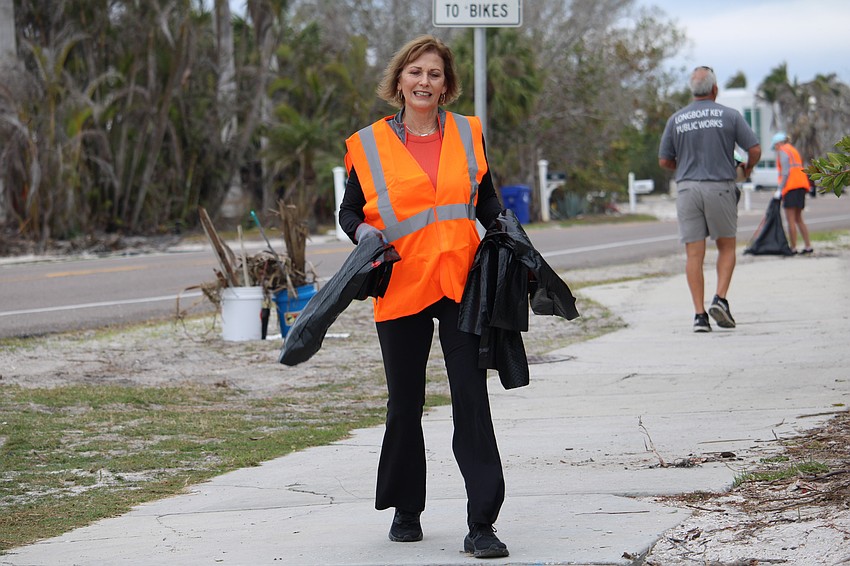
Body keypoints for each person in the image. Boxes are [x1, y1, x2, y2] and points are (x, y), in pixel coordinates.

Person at [338, 35, 509, 559]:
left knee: (472, 403)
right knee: (405, 404)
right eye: (415, 72)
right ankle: (406, 509)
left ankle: (482, 523)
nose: (424, 82)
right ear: (399, 81)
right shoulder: (367, 145)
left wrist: (513, 242)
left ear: (446, 84)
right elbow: (351, 213)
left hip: (461, 286)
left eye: (434, 74)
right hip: (402, 286)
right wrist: (364, 239)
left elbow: (488, 204)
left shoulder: (467, 133)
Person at [659, 66, 761, 332]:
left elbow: (664, 160)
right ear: (715, 90)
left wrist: (682, 167)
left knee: (694, 254)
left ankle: (699, 316)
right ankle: (720, 298)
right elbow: (755, 148)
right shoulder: (730, 116)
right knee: (726, 246)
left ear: (693, 92)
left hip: (687, 189)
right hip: (720, 187)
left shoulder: (676, 119)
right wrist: (747, 168)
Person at [771, 132, 813, 254]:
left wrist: (780, 189)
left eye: (775, 146)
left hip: (791, 186)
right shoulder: (793, 150)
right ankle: (808, 246)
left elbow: (785, 172)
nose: (775, 149)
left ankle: (793, 248)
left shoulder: (783, 151)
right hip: (801, 185)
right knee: (799, 218)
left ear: (778, 143)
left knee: (790, 219)